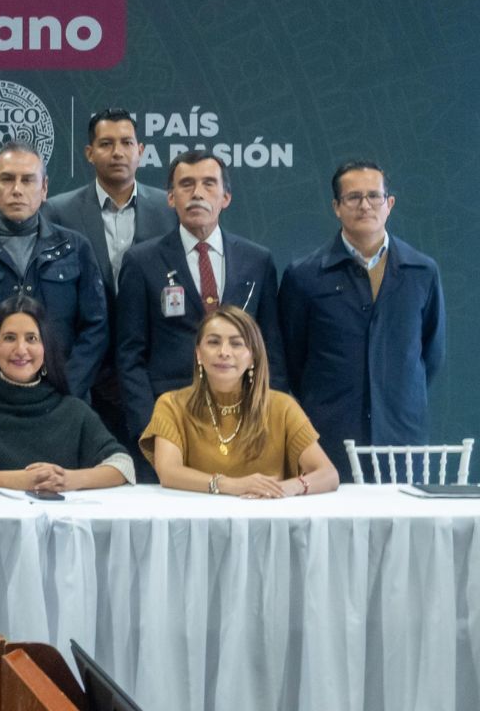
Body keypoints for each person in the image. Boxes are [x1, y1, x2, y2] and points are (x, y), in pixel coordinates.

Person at [279, 160, 446, 474]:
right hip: (328, 435)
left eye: (374, 196)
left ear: (389, 203)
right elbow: (292, 358)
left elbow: (430, 353)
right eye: (353, 197)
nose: (365, 205)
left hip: (401, 434)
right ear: (336, 207)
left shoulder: (422, 271)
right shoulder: (303, 276)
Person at [117, 150, 285, 446]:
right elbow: (129, 354)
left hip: (245, 420)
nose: (197, 193)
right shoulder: (142, 262)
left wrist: (271, 420)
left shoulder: (257, 261)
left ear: (226, 197)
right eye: (186, 184)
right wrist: (149, 429)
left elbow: (271, 350)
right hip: (170, 419)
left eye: (209, 183)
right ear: (171, 198)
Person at [45, 108, 175, 457]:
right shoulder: (58, 212)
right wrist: (91, 371)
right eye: (106, 144)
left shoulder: (170, 210)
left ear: (141, 151)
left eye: (126, 143)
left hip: (153, 379)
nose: (117, 152)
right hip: (85, 379)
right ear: (89, 153)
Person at [0, 140, 109, 397]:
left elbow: (96, 328)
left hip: (64, 401)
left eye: (28, 180)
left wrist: (67, 390)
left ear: (44, 188)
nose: (17, 190)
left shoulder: (75, 248)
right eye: (7, 179)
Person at [0, 297, 133, 493]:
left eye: (32, 339)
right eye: (9, 338)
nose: (21, 349)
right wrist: (19, 481)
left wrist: (68, 479)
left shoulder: (73, 410)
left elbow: (123, 465)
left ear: (46, 349)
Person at [141, 306, 339, 498]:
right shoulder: (171, 405)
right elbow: (168, 472)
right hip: (198, 518)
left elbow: (328, 474)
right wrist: (232, 485)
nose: (224, 352)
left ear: (253, 356)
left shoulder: (283, 407)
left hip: (267, 515)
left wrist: (289, 487)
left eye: (236, 344)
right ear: (198, 353)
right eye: (213, 342)